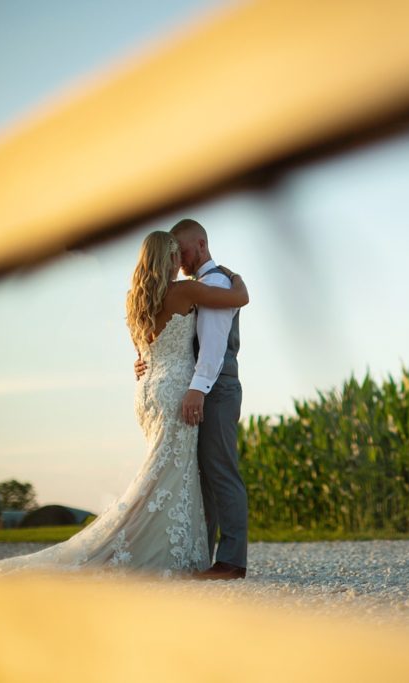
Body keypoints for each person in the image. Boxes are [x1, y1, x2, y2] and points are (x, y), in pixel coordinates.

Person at [0, 230, 249, 578]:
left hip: (148, 392)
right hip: (176, 390)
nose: (181, 262)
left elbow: (145, 351)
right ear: (168, 259)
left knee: (166, 476)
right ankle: (195, 556)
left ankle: (183, 551)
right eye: (176, 255)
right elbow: (239, 298)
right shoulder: (187, 290)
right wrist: (236, 277)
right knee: (173, 475)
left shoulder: (135, 299)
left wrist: (145, 363)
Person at [137, 218, 250, 581]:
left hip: (212, 388)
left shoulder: (215, 282)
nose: (179, 261)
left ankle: (231, 561)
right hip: (198, 388)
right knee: (201, 477)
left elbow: (214, 348)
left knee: (220, 472)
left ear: (200, 245)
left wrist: (196, 390)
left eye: (182, 251)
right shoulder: (198, 287)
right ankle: (205, 556)